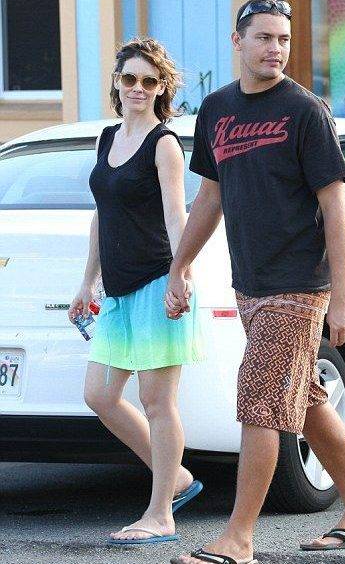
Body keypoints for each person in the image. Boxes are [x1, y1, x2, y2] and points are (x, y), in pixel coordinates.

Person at [165, 0, 345, 564]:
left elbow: (335, 206)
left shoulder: (305, 111)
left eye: (283, 39)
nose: (276, 49)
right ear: (237, 41)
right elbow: (209, 196)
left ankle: (238, 539)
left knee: (261, 399)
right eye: (264, 38)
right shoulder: (216, 109)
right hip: (251, 283)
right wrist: (179, 264)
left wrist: (342, 296)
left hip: (298, 283)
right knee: (304, 400)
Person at [68, 38, 204, 545]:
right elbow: (101, 215)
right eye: (130, 79)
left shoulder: (164, 144)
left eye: (150, 80)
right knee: (100, 395)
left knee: (156, 401)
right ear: (117, 83)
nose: (138, 88)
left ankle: (161, 514)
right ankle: (178, 478)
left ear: (162, 87)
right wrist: (87, 282)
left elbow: (176, 215)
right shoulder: (107, 138)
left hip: (156, 282)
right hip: (118, 292)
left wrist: (180, 274)